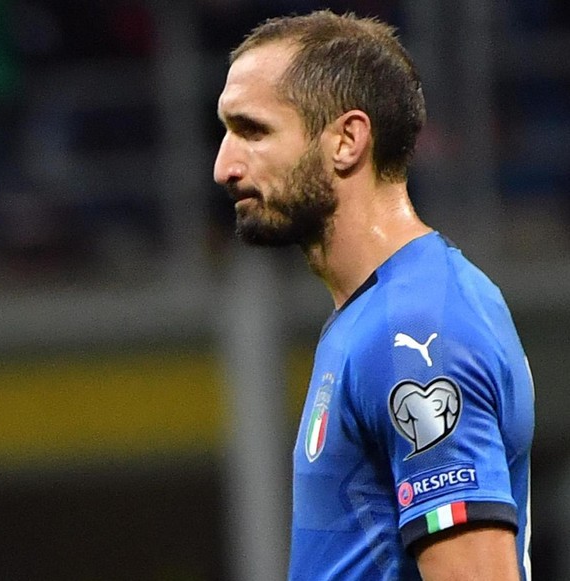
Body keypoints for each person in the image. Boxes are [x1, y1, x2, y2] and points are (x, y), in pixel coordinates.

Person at [213, 10, 534, 580]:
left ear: (346, 140)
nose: (224, 167)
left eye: (253, 131)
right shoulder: (373, 314)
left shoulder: (413, 332)